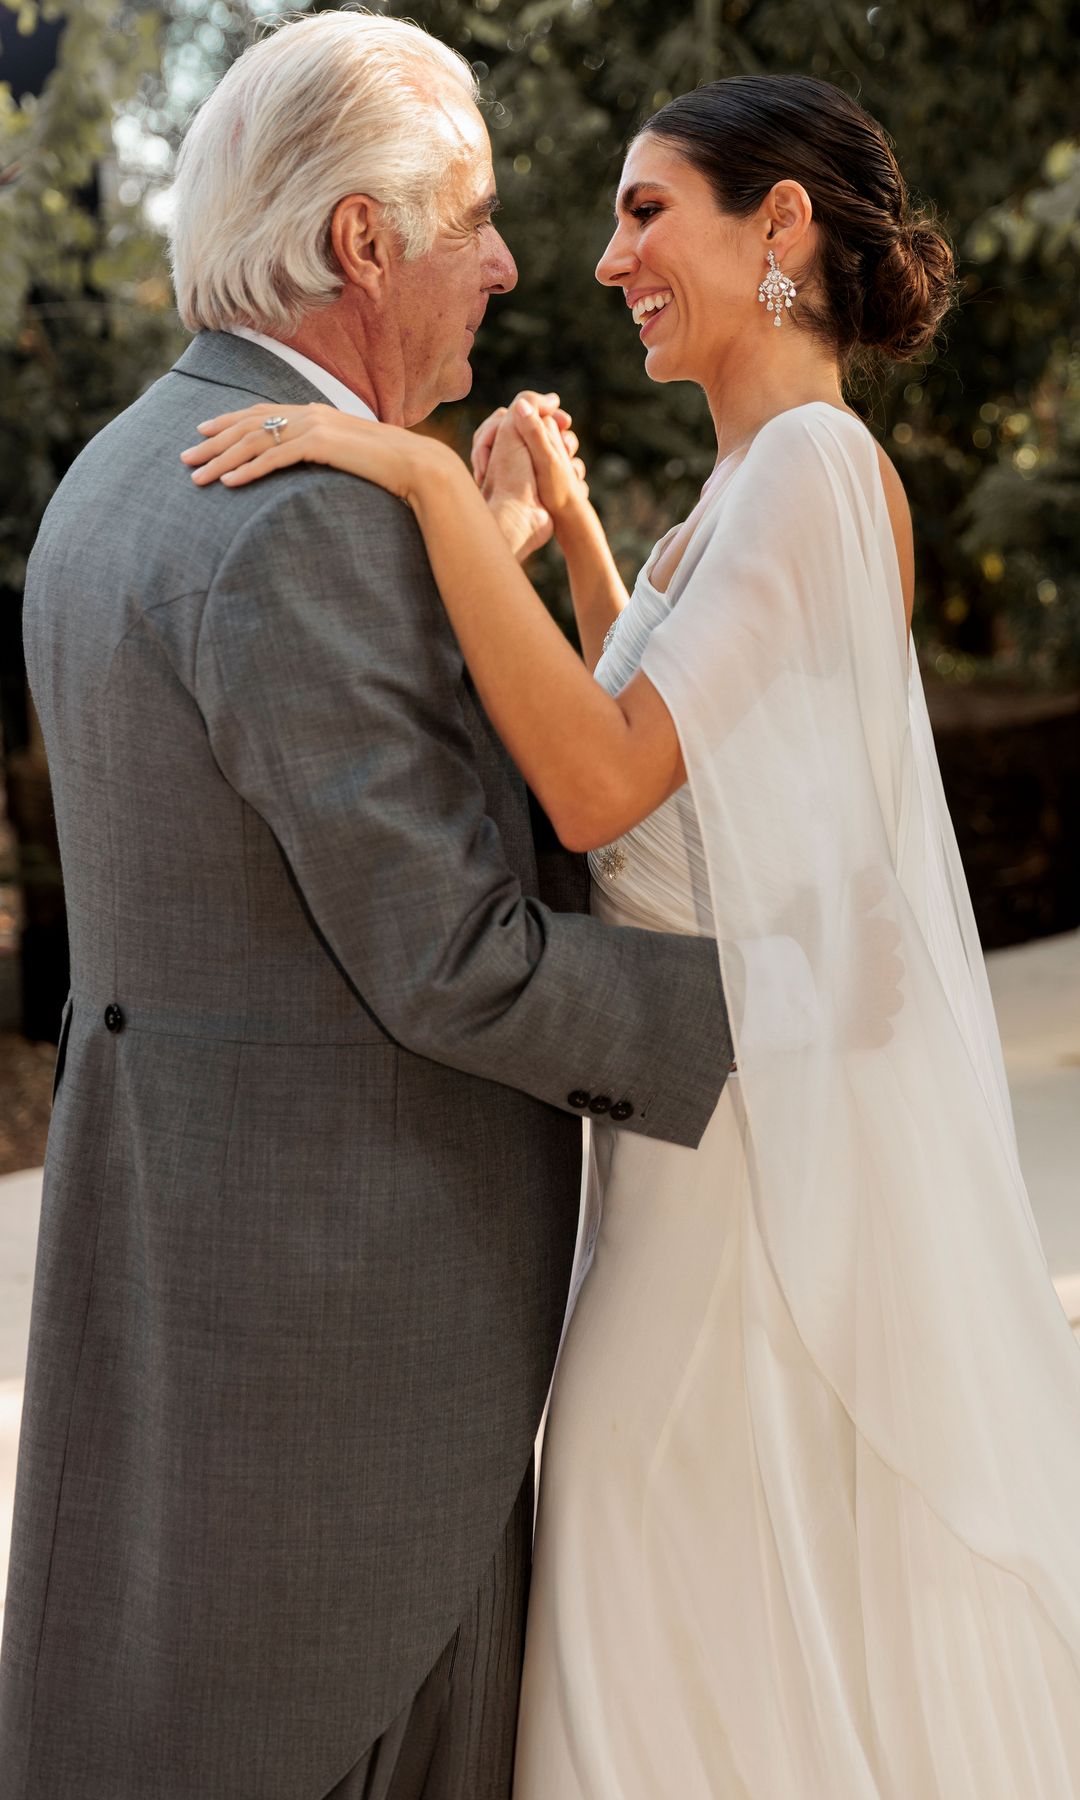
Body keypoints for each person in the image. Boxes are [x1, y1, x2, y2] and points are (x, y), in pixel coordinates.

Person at [189, 73, 1080, 1798]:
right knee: (674, 1526)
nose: (605, 261)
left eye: (646, 211)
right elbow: (691, 749)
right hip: (689, 1132)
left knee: (638, 1501)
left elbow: (601, 790)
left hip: (737, 1147)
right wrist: (583, 545)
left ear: (782, 229)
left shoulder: (815, 464)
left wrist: (428, 489)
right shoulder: (753, 484)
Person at [0, 17, 751, 1799]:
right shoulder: (296, 525)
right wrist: (771, 1014)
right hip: (362, 1374)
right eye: (474, 218)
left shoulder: (120, 478)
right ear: (362, 244)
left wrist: (477, 564)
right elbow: (451, 956)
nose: (506, 262)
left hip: (193, 1297)